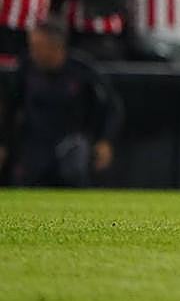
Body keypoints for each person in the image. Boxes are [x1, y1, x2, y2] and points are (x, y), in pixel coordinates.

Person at [2, 20, 122, 187]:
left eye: (38, 46)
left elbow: (111, 107)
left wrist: (105, 140)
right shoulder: (26, 68)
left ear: (55, 46)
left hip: (71, 146)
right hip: (33, 147)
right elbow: (10, 108)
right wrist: (3, 143)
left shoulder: (82, 69)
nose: (33, 52)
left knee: (75, 159)